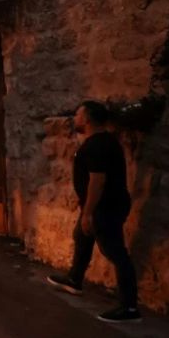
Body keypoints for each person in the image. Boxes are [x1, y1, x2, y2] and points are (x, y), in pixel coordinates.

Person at [46, 101, 140, 323]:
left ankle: (129, 308)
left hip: (104, 207)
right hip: (106, 204)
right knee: (82, 236)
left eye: (78, 114)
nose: (74, 118)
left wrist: (88, 213)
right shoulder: (106, 141)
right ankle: (74, 279)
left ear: (87, 119)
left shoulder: (96, 146)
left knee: (115, 253)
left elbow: (97, 181)